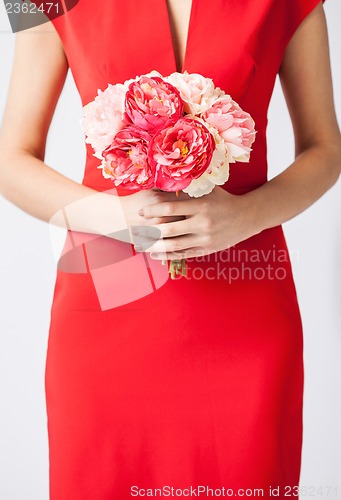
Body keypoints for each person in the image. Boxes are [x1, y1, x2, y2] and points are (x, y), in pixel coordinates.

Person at [0, 0, 340, 498]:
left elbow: (326, 149)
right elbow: (10, 159)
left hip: (246, 308)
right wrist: (115, 217)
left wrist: (248, 215)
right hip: (106, 299)